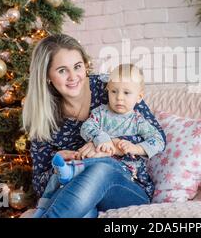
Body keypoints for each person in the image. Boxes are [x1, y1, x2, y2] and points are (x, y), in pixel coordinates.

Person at [22, 34, 166, 218]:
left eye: (77, 66)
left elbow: (157, 136)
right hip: (78, 191)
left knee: (101, 168)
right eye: (62, 70)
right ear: (47, 76)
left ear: (85, 65)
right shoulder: (44, 116)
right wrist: (57, 162)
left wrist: (110, 145)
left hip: (128, 186)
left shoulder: (112, 87)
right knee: (84, 209)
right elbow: (39, 183)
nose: (73, 77)